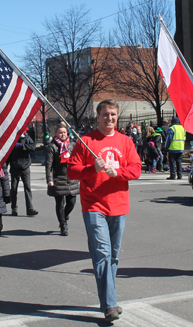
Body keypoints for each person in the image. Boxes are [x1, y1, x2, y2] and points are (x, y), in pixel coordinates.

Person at [67, 99, 141, 322]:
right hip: (94, 205)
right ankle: (110, 305)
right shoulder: (86, 141)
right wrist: (92, 168)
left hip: (118, 204)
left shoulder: (126, 142)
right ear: (98, 117)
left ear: (117, 117)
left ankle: (108, 298)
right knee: (102, 253)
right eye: (105, 114)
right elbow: (72, 171)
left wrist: (119, 173)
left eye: (113, 114)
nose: (109, 118)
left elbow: (136, 169)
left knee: (113, 256)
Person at [45, 122, 80, 236]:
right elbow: (49, 165)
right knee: (60, 203)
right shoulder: (52, 147)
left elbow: (78, 160)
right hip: (58, 178)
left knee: (72, 201)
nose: (63, 134)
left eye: (64, 132)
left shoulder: (72, 145)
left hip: (71, 178)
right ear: (56, 134)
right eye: (60, 132)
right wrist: (50, 179)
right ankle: (63, 225)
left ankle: (64, 216)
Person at [7, 130, 38, 216]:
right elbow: (8, 154)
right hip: (14, 167)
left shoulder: (27, 138)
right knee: (14, 188)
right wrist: (6, 166)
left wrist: (22, 146)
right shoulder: (12, 139)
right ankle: (14, 208)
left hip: (25, 167)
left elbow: (33, 147)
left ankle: (30, 208)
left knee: (27, 187)